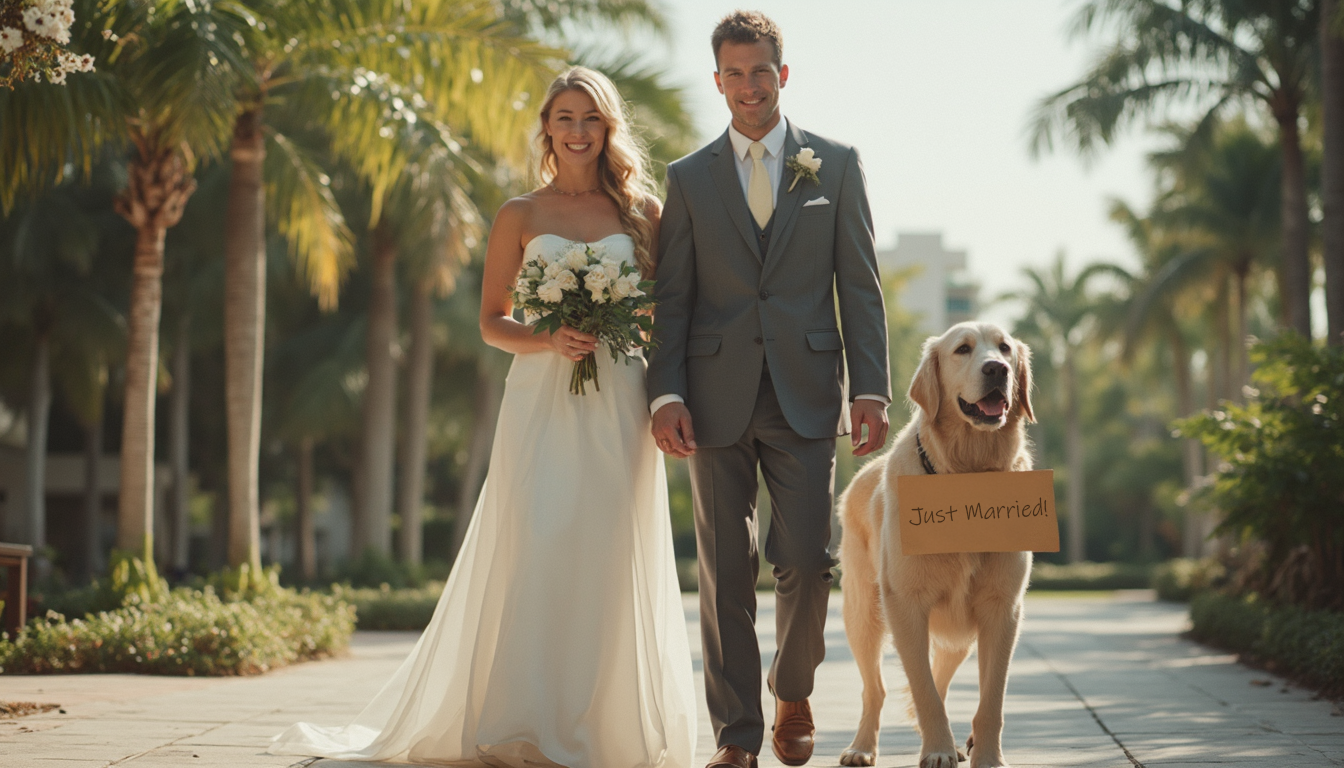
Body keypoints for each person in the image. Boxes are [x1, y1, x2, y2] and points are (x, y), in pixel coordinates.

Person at [268, 66, 696, 768]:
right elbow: (492, 322)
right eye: (565, 117)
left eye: (590, 117)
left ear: (608, 126)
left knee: (608, 551)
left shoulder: (644, 212)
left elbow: (665, 313)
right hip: (539, 398)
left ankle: (604, 726)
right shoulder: (518, 214)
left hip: (620, 397)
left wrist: (633, 342)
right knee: (539, 539)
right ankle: (522, 720)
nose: (578, 130)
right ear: (547, 128)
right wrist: (550, 336)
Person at [647, 11, 891, 768]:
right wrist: (666, 394)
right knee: (724, 571)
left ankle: (793, 691)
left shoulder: (837, 164)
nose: (748, 87)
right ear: (716, 80)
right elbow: (674, 297)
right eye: (733, 74)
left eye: (761, 72)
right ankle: (737, 737)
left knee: (808, 558)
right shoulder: (687, 179)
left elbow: (860, 284)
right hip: (712, 396)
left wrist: (873, 389)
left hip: (809, 390)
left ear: (783, 76)